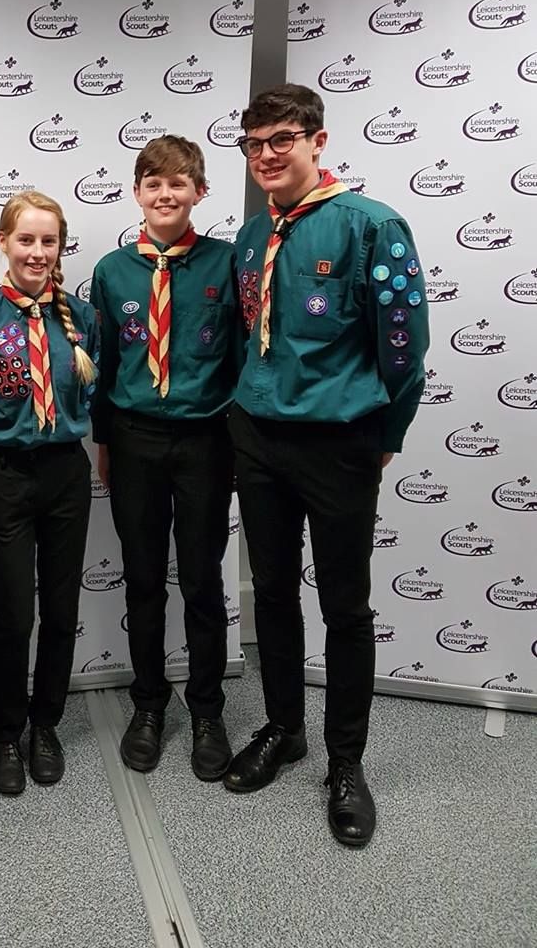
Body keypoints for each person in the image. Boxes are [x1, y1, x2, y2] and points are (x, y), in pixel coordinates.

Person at [225, 84, 429, 848]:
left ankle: (346, 764)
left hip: (340, 444)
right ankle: (285, 729)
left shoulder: (373, 227)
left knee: (345, 607)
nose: (268, 155)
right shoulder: (253, 237)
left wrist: (386, 435)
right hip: (258, 438)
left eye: (282, 138)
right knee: (273, 592)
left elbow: (404, 348)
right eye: (254, 144)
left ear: (318, 140)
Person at [91, 136, 239, 780]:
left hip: (206, 440)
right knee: (145, 576)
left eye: (179, 183)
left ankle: (207, 709)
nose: (165, 194)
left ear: (199, 192)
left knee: (203, 580)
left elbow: (242, 353)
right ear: (138, 193)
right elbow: (99, 365)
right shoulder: (112, 271)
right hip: (134, 440)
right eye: (153, 183)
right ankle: (149, 703)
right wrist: (103, 440)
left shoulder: (228, 263)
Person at [0, 191, 98, 796]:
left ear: (61, 247)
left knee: (62, 610)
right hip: (7, 476)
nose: (38, 252)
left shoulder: (82, 318)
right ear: (3, 243)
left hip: (67, 471)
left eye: (49, 241)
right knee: (16, 611)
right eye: (26, 240)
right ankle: (5, 733)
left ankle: (46, 723)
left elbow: (98, 390)